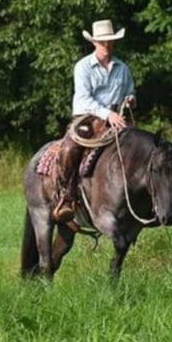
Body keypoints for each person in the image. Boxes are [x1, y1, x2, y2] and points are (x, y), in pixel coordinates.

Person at [52, 19, 137, 223]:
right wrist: (107, 114)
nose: (106, 46)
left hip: (117, 119)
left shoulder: (122, 69)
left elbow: (130, 90)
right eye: (102, 42)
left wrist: (131, 99)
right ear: (94, 43)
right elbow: (84, 98)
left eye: (109, 42)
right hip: (88, 118)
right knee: (70, 149)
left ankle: (137, 197)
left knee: (140, 149)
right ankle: (66, 195)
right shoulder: (83, 67)